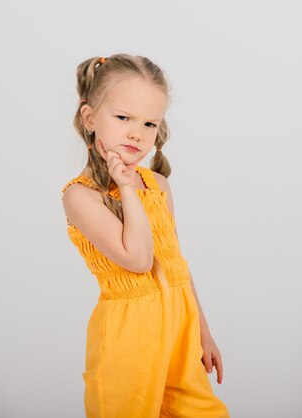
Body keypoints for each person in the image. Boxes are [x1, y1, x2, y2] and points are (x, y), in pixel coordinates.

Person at [61, 53, 230, 418]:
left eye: (150, 123)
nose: (137, 133)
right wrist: (123, 184)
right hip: (129, 341)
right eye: (123, 118)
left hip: (179, 332)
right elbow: (138, 259)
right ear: (90, 118)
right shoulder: (81, 196)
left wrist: (203, 329)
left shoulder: (159, 186)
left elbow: (175, 264)